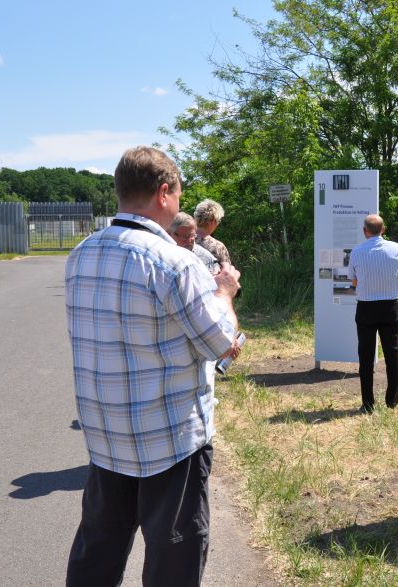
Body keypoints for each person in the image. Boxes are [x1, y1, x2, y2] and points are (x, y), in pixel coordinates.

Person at [64, 146, 242, 587]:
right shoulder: (174, 263)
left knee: (97, 552)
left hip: (105, 436)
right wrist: (224, 293)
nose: (180, 203)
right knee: (174, 560)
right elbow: (221, 344)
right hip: (169, 440)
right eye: (178, 194)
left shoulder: (81, 254)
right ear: (164, 192)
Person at [347, 214, 398, 413]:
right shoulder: (397, 249)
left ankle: (368, 403)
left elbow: (353, 280)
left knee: (365, 357)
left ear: (365, 231)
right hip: (390, 306)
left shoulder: (357, 252)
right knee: (392, 354)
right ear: (383, 229)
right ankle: (392, 401)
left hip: (366, 308)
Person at [193, 198, 231, 265]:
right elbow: (227, 270)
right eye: (218, 220)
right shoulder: (218, 247)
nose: (218, 224)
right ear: (213, 220)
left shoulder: (182, 239)